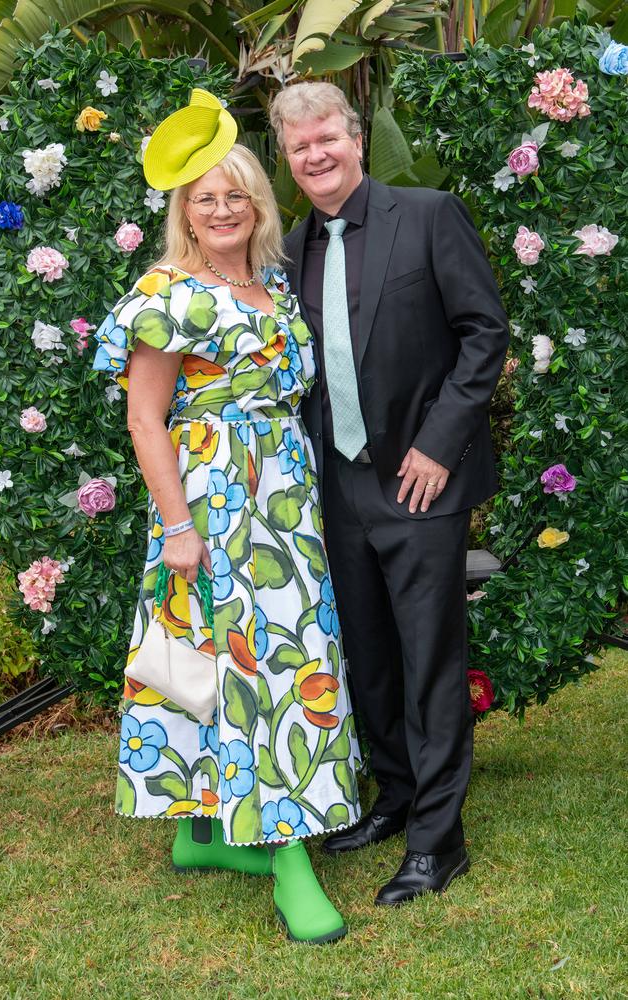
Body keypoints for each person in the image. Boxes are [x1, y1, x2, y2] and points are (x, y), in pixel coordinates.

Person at [93, 89, 361, 945]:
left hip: (286, 491)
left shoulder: (272, 282)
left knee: (276, 653)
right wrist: (177, 527)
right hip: (215, 499)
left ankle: (199, 832)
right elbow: (144, 418)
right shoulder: (168, 291)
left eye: (235, 195)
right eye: (203, 198)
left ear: (257, 204)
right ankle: (288, 857)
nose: (220, 209)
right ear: (183, 211)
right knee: (263, 669)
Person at [269, 82, 509, 906]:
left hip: (420, 480)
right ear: (289, 159)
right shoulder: (291, 247)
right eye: (300, 146)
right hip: (336, 483)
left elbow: (484, 331)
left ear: (355, 137)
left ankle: (439, 841)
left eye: (326, 136)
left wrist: (441, 445)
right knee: (368, 654)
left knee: (429, 659)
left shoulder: (429, 214)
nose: (316, 154)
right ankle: (397, 795)